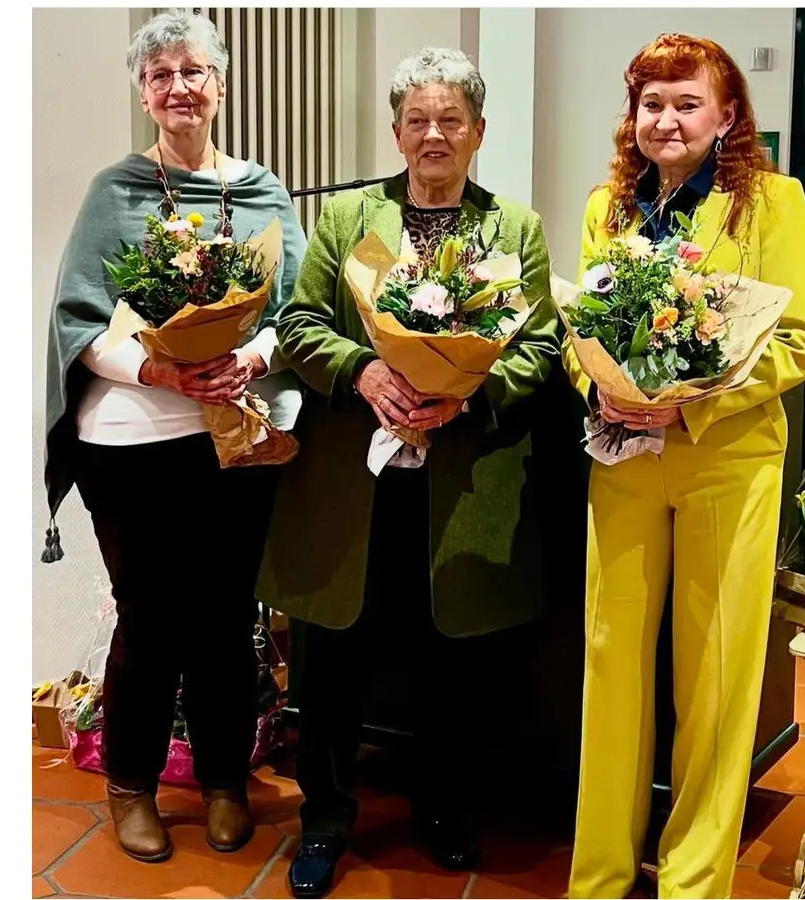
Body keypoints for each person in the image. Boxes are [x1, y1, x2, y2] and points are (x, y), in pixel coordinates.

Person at [258, 46, 562, 900]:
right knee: (333, 657)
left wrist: (470, 396)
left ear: (478, 132)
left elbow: (540, 344)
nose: (434, 135)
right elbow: (299, 323)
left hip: (458, 486)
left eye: (451, 119)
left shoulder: (514, 229)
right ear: (396, 133)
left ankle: (446, 811)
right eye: (418, 120)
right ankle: (325, 820)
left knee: (453, 659)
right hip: (353, 484)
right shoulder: (348, 217)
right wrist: (363, 370)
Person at [39, 9, 308, 864]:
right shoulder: (114, 191)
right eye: (160, 76)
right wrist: (160, 370)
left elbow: (299, 311)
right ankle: (131, 785)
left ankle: (225, 780)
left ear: (220, 84)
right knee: (149, 618)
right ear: (144, 94)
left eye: (193, 71)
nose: (178, 87)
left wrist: (250, 356)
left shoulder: (262, 191)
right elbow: (80, 321)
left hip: (236, 436)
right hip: (130, 442)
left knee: (227, 617)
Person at [564, 34, 805, 899]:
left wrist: (691, 402)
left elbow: (800, 340)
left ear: (727, 114)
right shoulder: (607, 208)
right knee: (610, 664)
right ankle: (599, 874)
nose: (667, 120)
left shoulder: (772, 203)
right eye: (652, 103)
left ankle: (692, 881)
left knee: (715, 676)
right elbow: (580, 332)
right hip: (624, 459)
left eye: (687, 103)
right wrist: (600, 387)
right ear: (633, 115)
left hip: (727, 462)